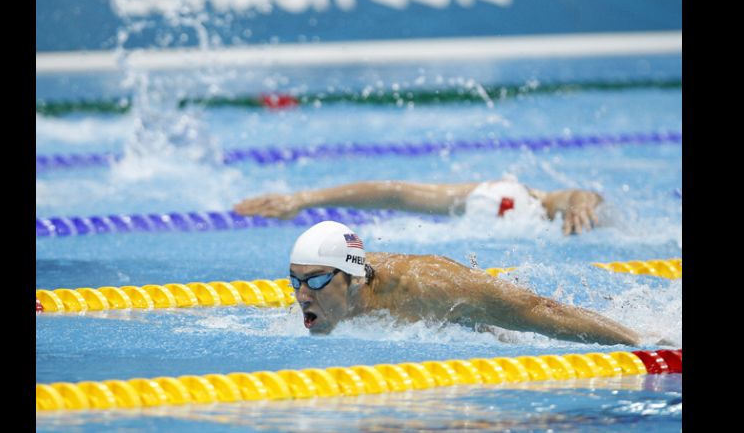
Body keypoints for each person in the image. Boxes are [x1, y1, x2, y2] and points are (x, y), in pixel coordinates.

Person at [288, 220, 642, 345]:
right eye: (295, 281)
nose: (302, 295)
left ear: (352, 279)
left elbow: (541, 310)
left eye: (315, 280)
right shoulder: (324, 294)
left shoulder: (429, 286)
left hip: (473, 317)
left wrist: (644, 343)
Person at [234, 177, 603, 236]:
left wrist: (582, 202)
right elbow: (397, 193)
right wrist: (304, 199)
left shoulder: (542, 204)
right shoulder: (494, 195)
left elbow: (578, 196)